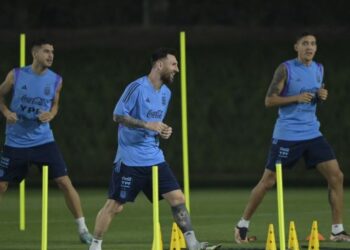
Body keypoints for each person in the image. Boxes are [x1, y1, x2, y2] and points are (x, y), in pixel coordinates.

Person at [88, 48, 221, 250]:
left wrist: (162, 130)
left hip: (155, 158)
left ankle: (193, 245)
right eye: (174, 64)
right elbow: (118, 116)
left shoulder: (166, 93)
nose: (177, 69)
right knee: (115, 206)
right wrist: (147, 125)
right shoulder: (137, 87)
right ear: (160, 65)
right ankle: (95, 245)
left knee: (178, 198)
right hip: (130, 159)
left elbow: (155, 123)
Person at [234, 32, 350, 243]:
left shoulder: (319, 69)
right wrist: (296, 97)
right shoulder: (285, 68)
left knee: (337, 176)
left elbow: (314, 97)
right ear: (296, 46)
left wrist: (321, 96)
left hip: (313, 133)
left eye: (313, 43)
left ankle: (337, 230)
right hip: (287, 134)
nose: (309, 47)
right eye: (305, 43)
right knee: (268, 182)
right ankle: (242, 224)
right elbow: (269, 101)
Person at [0, 39, 92, 244]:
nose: (51, 55)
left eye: (52, 52)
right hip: (15, 142)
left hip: (44, 141)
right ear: (34, 53)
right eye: (46, 51)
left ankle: (83, 229)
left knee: (64, 182)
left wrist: (51, 114)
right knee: (2, 185)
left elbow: (55, 105)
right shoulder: (16, 75)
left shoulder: (56, 80)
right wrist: (6, 112)